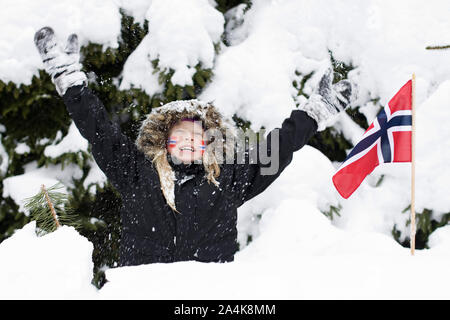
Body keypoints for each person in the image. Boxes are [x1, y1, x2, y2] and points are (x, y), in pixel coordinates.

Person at [34, 27, 355, 266]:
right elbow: (98, 131)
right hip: (144, 289)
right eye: (179, 136)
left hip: (210, 290)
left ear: (208, 144)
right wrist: (71, 81)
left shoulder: (231, 177)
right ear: (163, 141)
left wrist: (314, 112)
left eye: (196, 137)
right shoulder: (135, 172)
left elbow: (280, 146)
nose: (188, 141)